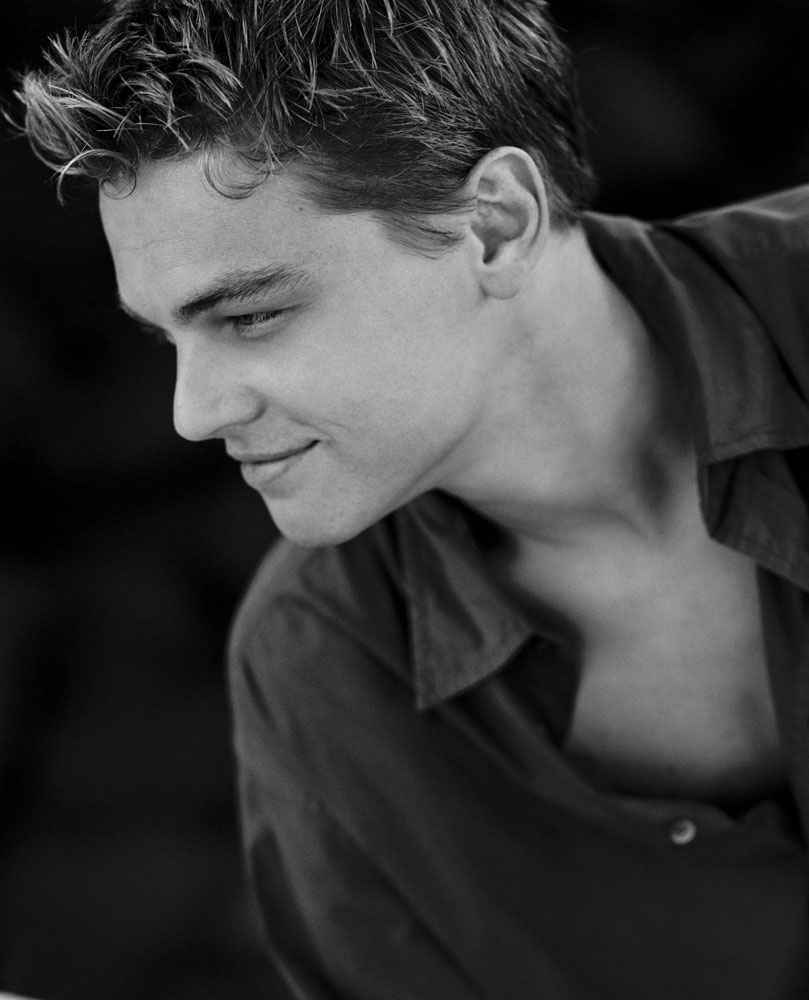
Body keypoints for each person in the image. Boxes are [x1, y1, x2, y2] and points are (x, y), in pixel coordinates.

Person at [14, 1, 809, 996]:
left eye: (251, 314)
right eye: (167, 338)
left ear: (494, 224)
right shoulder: (317, 670)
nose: (192, 412)